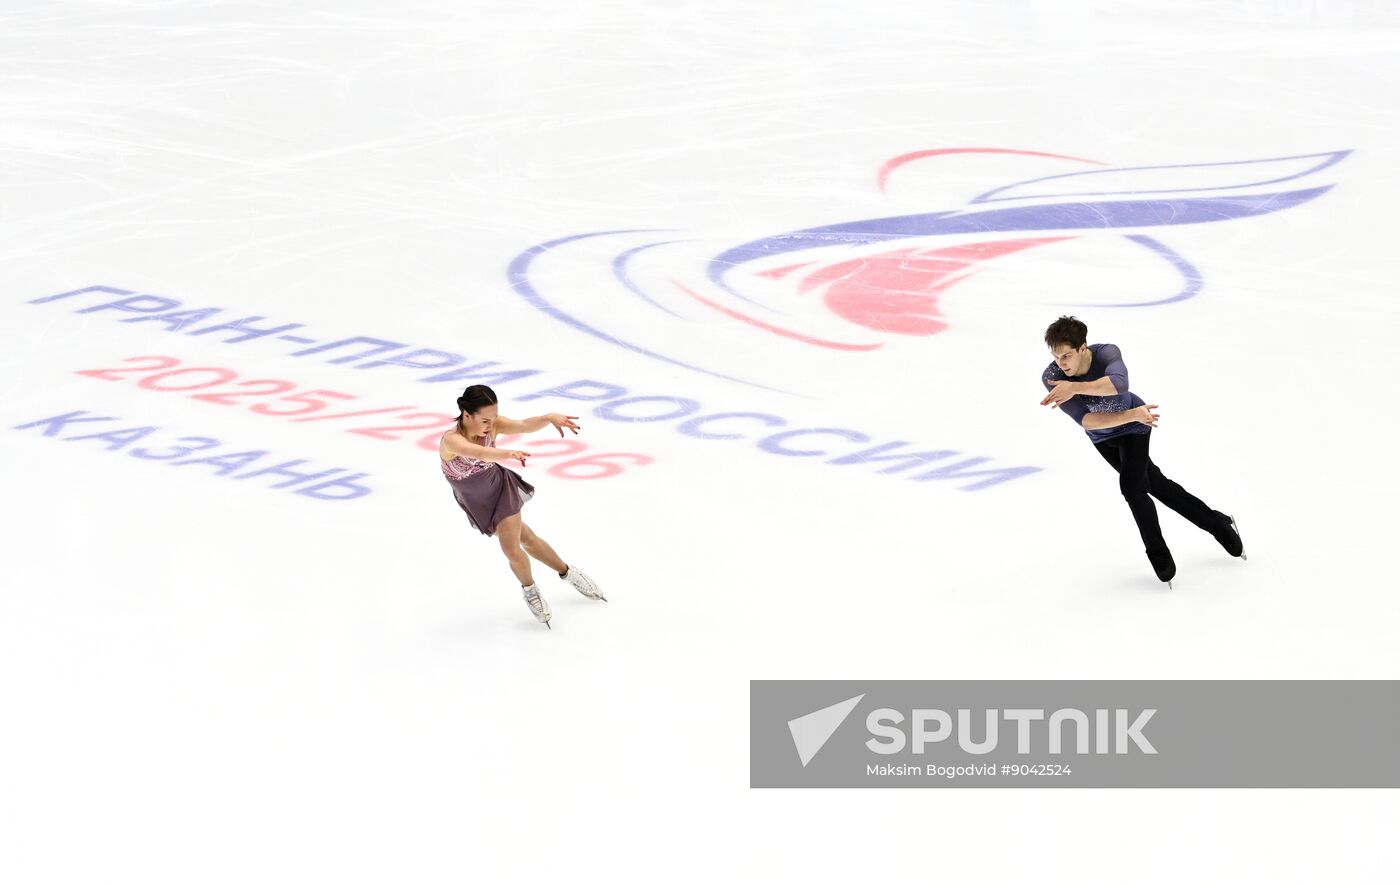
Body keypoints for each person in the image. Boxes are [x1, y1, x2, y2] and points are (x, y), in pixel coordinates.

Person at [1039, 316, 1244, 587]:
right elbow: (1086, 420)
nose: (1061, 364)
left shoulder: (1107, 353)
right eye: (1056, 357)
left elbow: (1119, 384)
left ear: (1083, 348)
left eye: (1066, 355)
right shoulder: (1052, 377)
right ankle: (1217, 522)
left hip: (1137, 425)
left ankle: (1157, 552)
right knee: (1157, 485)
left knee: (1132, 488)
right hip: (1105, 434)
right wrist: (1127, 414)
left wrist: (1076, 388)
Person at [439, 384, 605, 627]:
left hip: (499, 489)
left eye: (493, 418)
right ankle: (568, 572)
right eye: (485, 419)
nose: (490, 424)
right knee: (527, 538)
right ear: (467, 415)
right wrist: (507, 454)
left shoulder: (493, 427)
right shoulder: (451, 440)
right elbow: (477, 452)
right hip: (476, 501)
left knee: (510, 548)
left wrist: (548, 418)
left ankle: (530, 591)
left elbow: (525, 425)